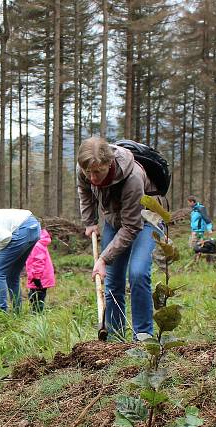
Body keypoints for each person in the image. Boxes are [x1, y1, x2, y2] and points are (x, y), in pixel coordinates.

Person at [76, 136, 157, 340]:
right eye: (88, 172)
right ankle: (116, 336)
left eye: (98, 172)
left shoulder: (133, 178)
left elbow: (131, 226)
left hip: (144, 220)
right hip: (114, 220)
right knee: (113, 280)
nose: (92, 177)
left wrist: (103, 258)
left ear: (109, 163)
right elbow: (85, 191)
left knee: (138, 273)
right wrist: (90, 221)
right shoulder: (85, 168)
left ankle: (143, 335)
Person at [25, 228, 55, 312]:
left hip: (39, 277)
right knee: (35, 295)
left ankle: (37, 314)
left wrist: (36, 277)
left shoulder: (36, 245)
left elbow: (38, 261)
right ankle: (36, 312)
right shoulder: (36, 243)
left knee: (37, 296)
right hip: (37, 275)